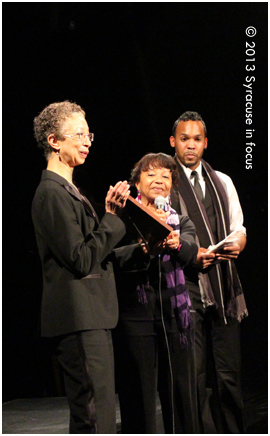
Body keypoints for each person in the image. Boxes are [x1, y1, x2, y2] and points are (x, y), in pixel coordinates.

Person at [31, 101, 130, 434]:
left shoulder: (69, 192)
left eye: (89, 134)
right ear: (54, 141)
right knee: (94, 417)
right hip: (79, 320)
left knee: (99, 413)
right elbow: (81, 259)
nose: (88, 140)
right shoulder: (50, 193)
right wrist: (112, 219)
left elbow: (95, 254)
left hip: (92, 317)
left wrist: (140, 249)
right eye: (79, 134)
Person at [169, 111, 248, 433]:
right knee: (195, 376)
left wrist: (239, 243)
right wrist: (190, 254)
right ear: (173, 142)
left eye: (197, 139)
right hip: (187, 287)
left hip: (223, 286)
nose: (191, 146)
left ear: (205, 143)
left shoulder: (222, 181)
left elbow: (238, 226)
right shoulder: (165, 181)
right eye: (184, 139)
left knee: (229, 374)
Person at [112, 153, 199, 434]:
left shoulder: (181, 221)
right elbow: (111, 258)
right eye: (151, 175)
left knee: (181, 396)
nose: (159, 180)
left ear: (172, 186)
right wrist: (143, 249)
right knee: (139, 398)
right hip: (136, 318)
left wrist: (175, 244)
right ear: (137, 183)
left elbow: (191, 252)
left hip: (175, 318)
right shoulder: (123, 219)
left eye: (165, 176)